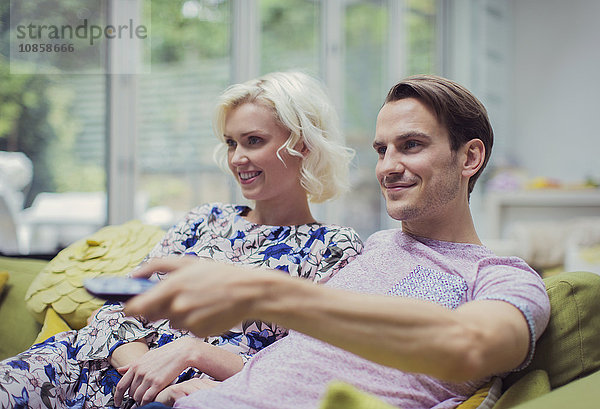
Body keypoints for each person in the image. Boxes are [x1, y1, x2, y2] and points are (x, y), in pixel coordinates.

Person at [124, 75, 551, 409]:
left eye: (412, 145)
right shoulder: (370, 251)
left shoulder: (504, 278)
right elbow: (302, 359)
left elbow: (469, 347)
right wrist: (208, 370)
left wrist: (262, 292)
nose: (389, 167)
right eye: (382, 150)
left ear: (470, 158)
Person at [0, 71, 363, 409]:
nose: (237, 158)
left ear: (302, 143)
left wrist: (189, 359)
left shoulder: (336, 249)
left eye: (254, 141)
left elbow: (305, 370)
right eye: (231, 143)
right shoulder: (204, 219)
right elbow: (116, 311)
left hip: (187, 397)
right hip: (78, 365)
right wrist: (148, 370)